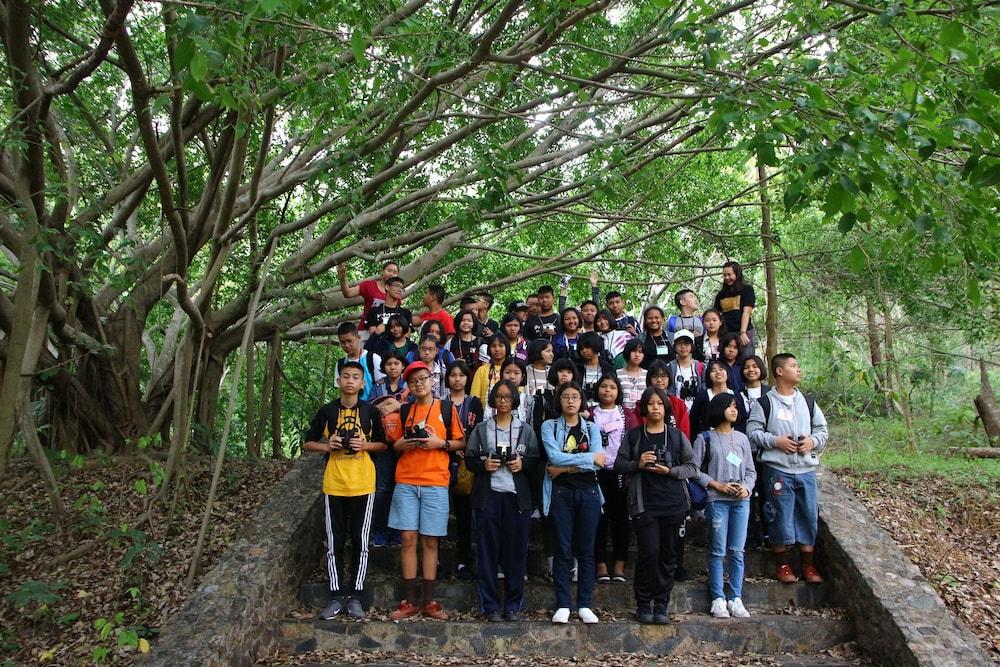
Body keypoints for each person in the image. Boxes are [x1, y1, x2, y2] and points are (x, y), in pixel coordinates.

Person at [303, 361, 389, 620]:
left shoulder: (371, 412)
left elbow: (384, 445)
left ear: (363, 383)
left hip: (364, 484)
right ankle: (336, 594)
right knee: (335, 543)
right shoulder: (327, 411)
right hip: (335, 484)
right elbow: (307, 443)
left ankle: (356, 595)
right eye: (346, 376)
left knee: (361, 543)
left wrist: (364, 445)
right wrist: (328, 445)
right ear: (338, 381)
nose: (350, 381)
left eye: (355, 377)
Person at [387, 361, 466, 621]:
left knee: (431, 540)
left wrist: (438, 443)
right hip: (407, 479)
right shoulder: (405, 410)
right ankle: (410, 600)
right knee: (408, 539)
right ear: (408, 386)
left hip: (435, 480)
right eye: (413, 381)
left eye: (423, 378)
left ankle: (429, 601)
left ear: (432, 379)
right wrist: (406, 443)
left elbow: (460, 442)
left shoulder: (446, 407)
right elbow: (395, 444)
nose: (419, 384)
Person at [614, 387, 697, 624]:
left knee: (668, 555)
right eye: (650, 404)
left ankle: (661, 605)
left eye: (659, 404)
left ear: (666, 407)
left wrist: (670, 471)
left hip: (674, 503)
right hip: (645, 504)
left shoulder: (676, 435)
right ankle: (643, 605)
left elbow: (692, 466)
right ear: (644, 408)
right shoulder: (634, 436)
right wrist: (637, 463)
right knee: (649, 553)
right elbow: (618, 464)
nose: (655, 408)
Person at [747, 353, 829, 585]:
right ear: (780, 371)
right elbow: (753, 433)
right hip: (777, 469)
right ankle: (782, 564)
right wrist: (776, 441)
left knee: (808, 515)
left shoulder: (809, 402)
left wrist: (812, 442)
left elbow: (822, 430)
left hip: (805, 469)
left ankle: (807, 565)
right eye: (794, 366)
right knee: (779, 514)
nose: (799, 370)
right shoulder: (765, 403)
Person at [464, 380, 540, 621]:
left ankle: (513, 605)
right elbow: (470, 459)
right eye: (499, 397)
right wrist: (483, 465)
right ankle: (490, 606)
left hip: (517, 499)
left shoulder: (525, 429)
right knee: (487, 553)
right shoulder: (482, 429)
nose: (503, 401)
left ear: (514, 400)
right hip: (488, 497)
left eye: (508, 397)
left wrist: (522, 463)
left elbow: (535, 460)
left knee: (516, 553)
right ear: (493, 400)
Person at [541, 382, 605, 624]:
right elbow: (553, 456)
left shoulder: (592, 428)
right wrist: (586, 458)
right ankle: (563, 604)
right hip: (560, 493)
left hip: (588, 492)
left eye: (575, 397)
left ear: (582, 401)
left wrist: (564, 467)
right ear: (559, 400)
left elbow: (600, 461)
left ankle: (585, 603)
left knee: (587, 550)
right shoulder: (549, 426)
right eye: (565, 396)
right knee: (563, 550)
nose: (570, 401)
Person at [691, 393, 757, 619]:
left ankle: (736, 597)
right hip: (716, 500)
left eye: (736, 407)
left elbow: (750, 469)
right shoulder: (705, 439)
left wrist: (746, 488)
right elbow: (694, 469)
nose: (734, 410)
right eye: (729, 406)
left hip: (740, 502)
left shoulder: (742, 438)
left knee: (737, 551)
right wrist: (717, 485)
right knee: (718, 550)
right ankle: (718, 597)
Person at [445, 360, 484, 581]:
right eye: (453, 375)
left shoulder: (474, 403)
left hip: (469, 464)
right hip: (445, 460)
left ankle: (469, 560)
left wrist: (466, 450)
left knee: (469, 514)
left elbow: (478, 430)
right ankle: (455, 561)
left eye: (461, 375)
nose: (457, 379)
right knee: (454, 515)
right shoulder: (441, 404)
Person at [592, 373, 629, 584]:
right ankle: (600, 564)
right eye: (603, 386)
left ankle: (620, 564)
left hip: (620, 472)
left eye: (612, 387)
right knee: (599, 519)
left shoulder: (625, 414)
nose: (607, 390)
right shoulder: (590, 413)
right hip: (597, 472)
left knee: (620, 519)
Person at [739, 354, 771, 547]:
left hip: (767, 450)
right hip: (744, 451)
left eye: (755, 366)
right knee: (747, 492)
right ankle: (749, 535)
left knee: (767, 493)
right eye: (746, 367)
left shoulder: (771, 394)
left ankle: (768, 534)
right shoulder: (737, 394)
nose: (751, 370)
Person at [337, 259, 399, 340]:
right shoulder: (369, 286)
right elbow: (348, 293)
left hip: (385, 335)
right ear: (382, 271)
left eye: (394, 272)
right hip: (364, 332)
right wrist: (342, 279)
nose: (391, 274)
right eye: (389, 270)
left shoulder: (397, 293)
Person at [690, 359, 747, 436]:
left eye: (721, 369)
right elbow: (694, 420)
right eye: (713, 370)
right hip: (710, 440)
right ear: (708, 375)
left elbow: (743, 420)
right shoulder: (703, 396)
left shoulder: (736, 395)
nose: (718, 372)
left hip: (733, 440)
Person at [713, 261, 756, 360]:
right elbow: (716, 314)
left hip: (744, 331)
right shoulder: (721, 295)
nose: (727, 278)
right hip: (727, 333)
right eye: (724, 275)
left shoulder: (747, 289)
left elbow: (747, 312)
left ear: (737, 274)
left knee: (746, 359)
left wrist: (743, 332)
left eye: (729, 274)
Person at [335, 322, 384, 400]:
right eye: (343, 342)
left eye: (349, 341)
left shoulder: (373, 358)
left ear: (358, 337)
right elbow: (341, 391)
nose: (347, 345)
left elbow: (382, 387)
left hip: (371, 408)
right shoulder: (340, 364)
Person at [364, 276, 412, 354]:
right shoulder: (374, 311)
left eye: (401, 288)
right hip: (378, 352)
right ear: (387, 287)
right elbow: (372, 337)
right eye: (397, 286)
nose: (400, 290)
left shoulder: (405, 313)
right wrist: (378, 331)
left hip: (399, 354)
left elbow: (407, 337)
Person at [645, 361, 691, 439]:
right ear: (649, 379)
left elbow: (684, 432)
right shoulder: (642, 403)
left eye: (663, 376)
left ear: (669, 378)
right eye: (655, 376)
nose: (659, 380)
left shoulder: (679, 404)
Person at [575, 332, 615, 414]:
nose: (584, 351)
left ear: (596, 346)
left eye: (587, 347)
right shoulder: (576, 368)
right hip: (581, 411)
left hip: (604, 411)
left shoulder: (608, 369)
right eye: (581, 349)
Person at [667, 330, 704, 413]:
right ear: (675, 347)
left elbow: (703, 389)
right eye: (679, 344)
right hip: (676, 411)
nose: (683, 347)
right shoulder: (669, 367)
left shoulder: (701, 367)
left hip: (697, 412)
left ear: (692, 346)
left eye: (686, 344)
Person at [616, 339, 647, 425]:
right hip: (622, 416)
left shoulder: (647, 374)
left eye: (640, 352)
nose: (637, 355)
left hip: (642, 417)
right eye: (634, 351)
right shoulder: (617, 374)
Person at [471, 334, 509, 404]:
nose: (497, 349)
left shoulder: (512, 369)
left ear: (507, 347)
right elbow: (474, 398)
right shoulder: (481, 370)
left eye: (501, 345)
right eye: (493, 346)